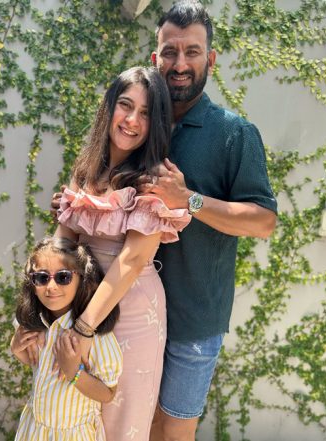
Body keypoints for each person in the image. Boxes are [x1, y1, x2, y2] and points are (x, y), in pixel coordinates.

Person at [48, 2, 278, 440]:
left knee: (171, 432)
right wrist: (78, 206)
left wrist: (187, 200)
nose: (180, 63)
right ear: (156, 59)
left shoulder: (233, 133)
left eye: (193, 52)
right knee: (115, 424)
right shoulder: (137, 125)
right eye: (170, 52)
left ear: (210, 59)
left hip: (192, 320)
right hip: (121, 312)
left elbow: (263, 221)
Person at [37, 66, 191, 441]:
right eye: (125, 105)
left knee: (121, 426)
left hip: (132, 317)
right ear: (109, 108)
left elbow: (133, 259)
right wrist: (35, 317)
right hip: (80, 310)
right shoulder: (86, 168)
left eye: (144, 113)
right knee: (74, 417)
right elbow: (62, 246)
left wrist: (84, 328)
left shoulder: (154, 180)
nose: (132, 120)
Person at [10, 236, 122, 440]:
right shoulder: (37, 323)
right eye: (42, 278)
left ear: (82, 279)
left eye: (62, 277)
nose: (51, 287)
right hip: (36, 430)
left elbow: (108, 393)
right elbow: (38, 365)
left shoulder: (93, 337)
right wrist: (16, 348)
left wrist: (74, 372)